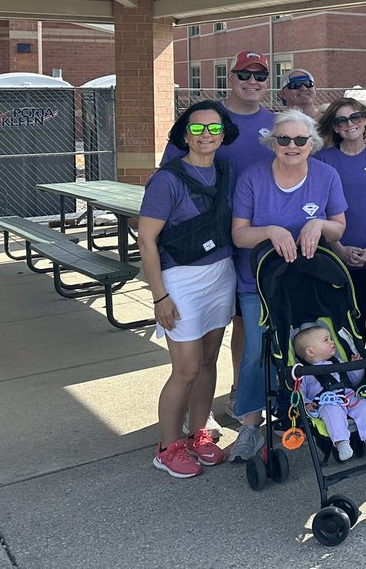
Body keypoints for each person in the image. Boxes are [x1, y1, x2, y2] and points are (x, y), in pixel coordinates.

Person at [163, 50, 277, 421]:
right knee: (195, 343)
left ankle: (237, 392)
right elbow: (169, 177)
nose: (252, 81)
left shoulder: (275, 125)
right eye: (244, 73)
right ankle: (191, 415)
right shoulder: (207, 120)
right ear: (231, 77)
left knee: (245, 322)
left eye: (260, 75)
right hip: (202, 245)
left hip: (252, 238)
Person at [229, 109, 348, 462]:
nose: (292, 146)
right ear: (273, 143)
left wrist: (319, 225)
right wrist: (269, 231)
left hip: (308, 281)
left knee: (305, 348)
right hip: (259, 283)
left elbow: (339, 226)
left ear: (312, 144)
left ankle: (307, 412)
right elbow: (239, 234)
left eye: (300, 140)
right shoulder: (253, 178)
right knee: (256, 353)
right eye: (284, 139)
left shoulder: (326, 175)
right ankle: (251, 425)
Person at [140, 101, 239, 478]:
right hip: (180, 280)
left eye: (214, 129)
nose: (206, 136)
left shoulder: (225, 171)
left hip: (221, 275)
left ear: (223, 134)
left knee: (209, 361)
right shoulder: (166, 180)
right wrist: (159, 296)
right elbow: (146, 240)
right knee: (184, 369)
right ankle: (167, 447)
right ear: (184, 135)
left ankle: (199, 434)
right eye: (197, 129)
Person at [314, 97, 366, 338]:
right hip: (333, 256)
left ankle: (358, 370)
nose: (349, 124)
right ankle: (333, 371)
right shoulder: (323, 160)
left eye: (355, 117)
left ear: (365, 121)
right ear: (335, 126)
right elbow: (318, 209)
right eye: (341, 120)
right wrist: (337, 247)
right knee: (333, 319)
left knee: (359, 317)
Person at [292, 325, 366, 461]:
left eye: (331, 339)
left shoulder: (337, 362)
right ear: (310, 352)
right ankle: (342, 444)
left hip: (348, 395)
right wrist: (307, 403)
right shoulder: (304, 372)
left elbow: (353, 380)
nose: (332, 342)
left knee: (365, 406)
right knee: (334, 415)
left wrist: (356, 367)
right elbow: (300, 391)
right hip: (326, 401)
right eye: (326, 340)